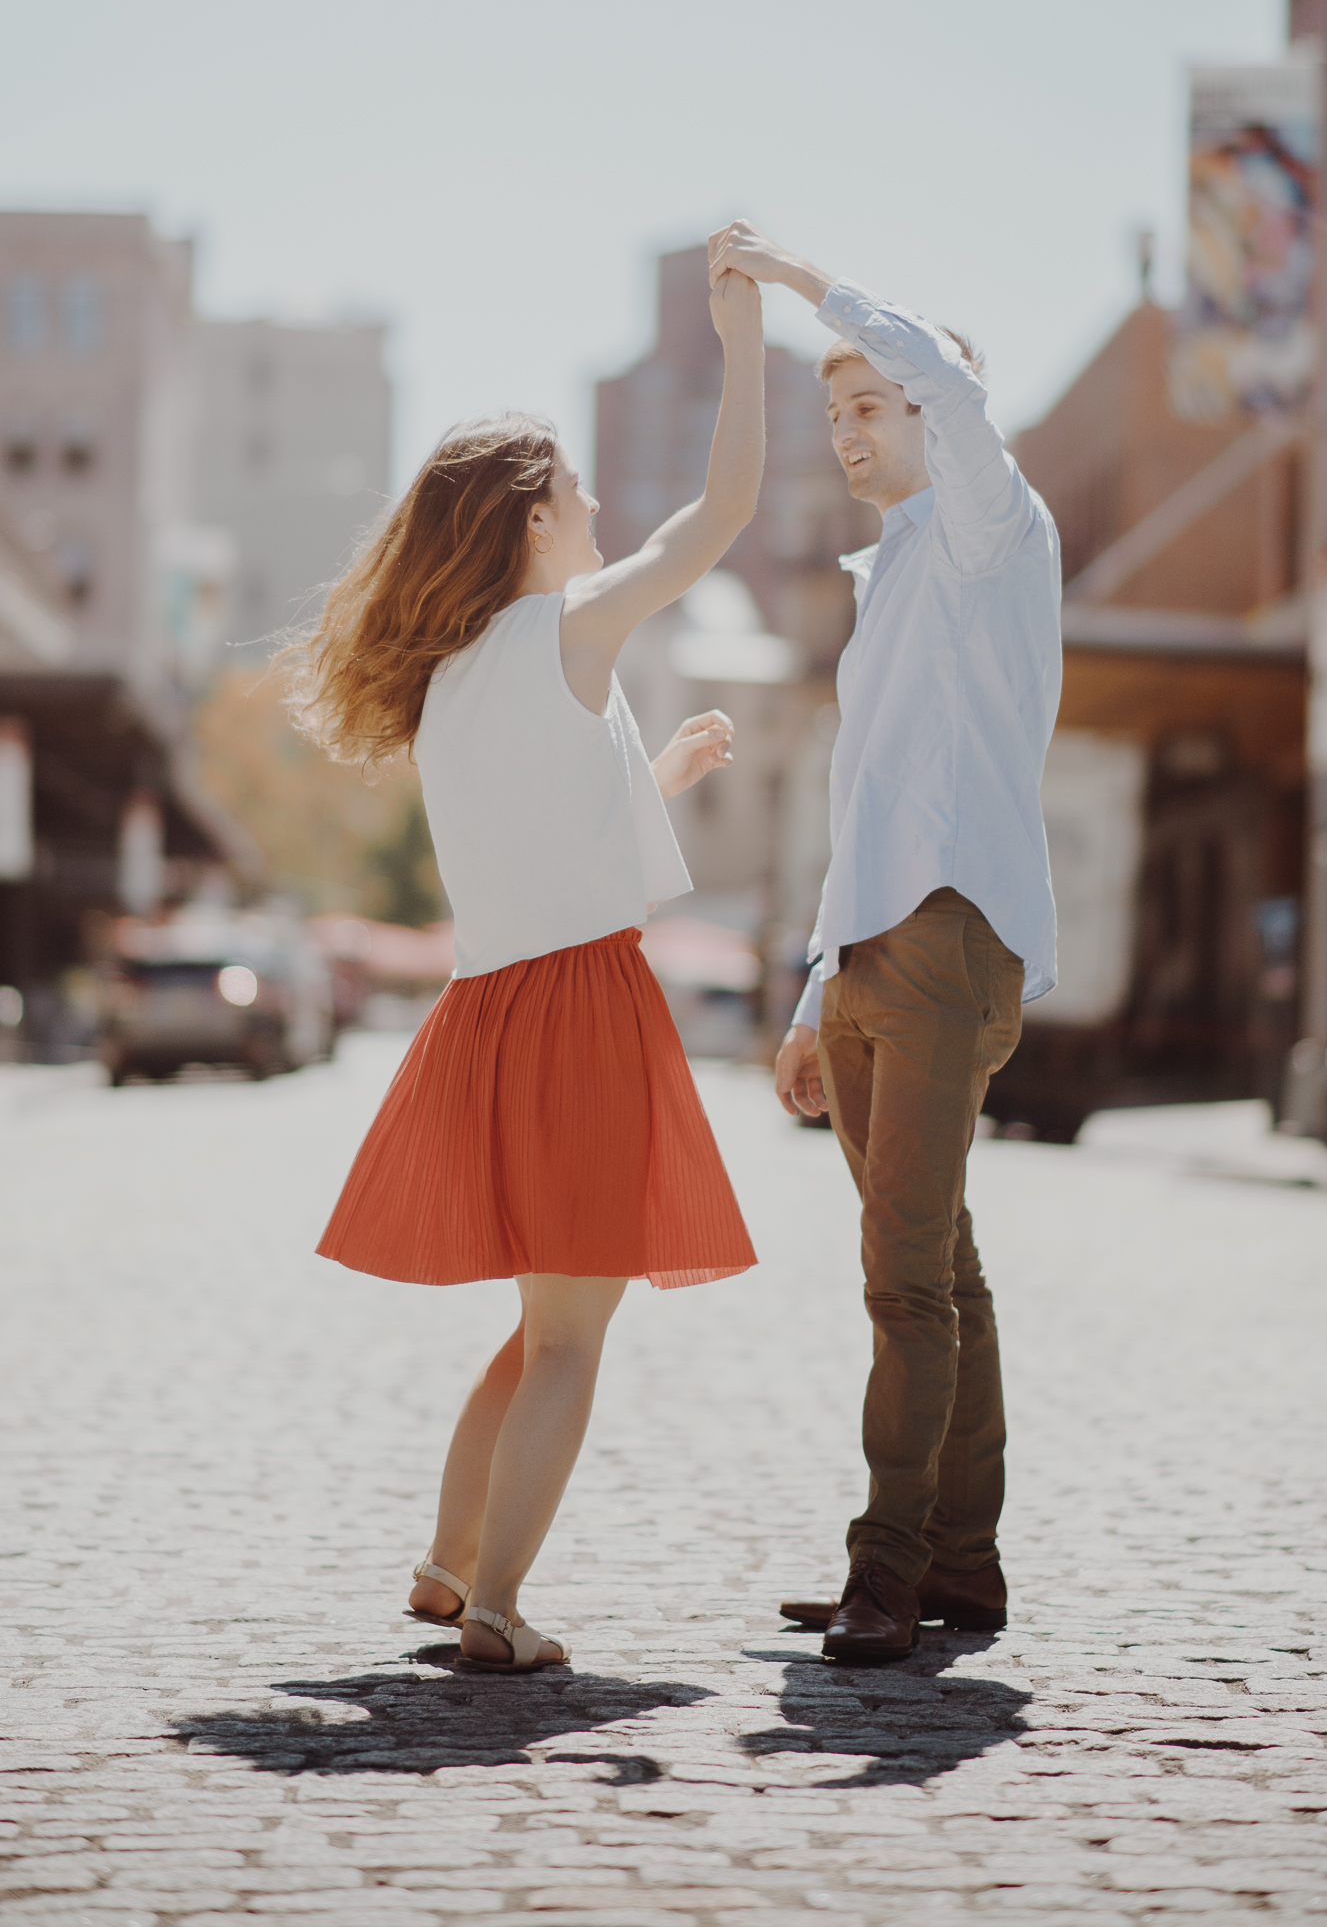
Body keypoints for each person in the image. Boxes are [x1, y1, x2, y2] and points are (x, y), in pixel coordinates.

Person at [285, 245, 765, 1672]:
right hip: (580, 1010)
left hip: (494, 1010)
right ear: (531, 518)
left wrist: (651, 779)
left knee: (540, 1321)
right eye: (577, 489)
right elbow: (723, 510)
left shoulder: (450, 679)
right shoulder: (570, 627)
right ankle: (498, 1612)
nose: (600, 506)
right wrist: (742, 352)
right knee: (569, 1335)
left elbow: (536, 841)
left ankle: (447, 1567)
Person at [707, 222, 1061, 1665]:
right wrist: (808, 991)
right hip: (865, 956)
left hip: (948, 945)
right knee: (942, 1268)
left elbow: (949, 389)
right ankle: (960, 1568)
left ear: (931, 413)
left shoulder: (991, 529)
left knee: (901, 1279)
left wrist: (801, 286)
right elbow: (862, 809)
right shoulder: (887, 577)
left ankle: (883, 1570)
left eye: (867, 405)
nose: (845, 431)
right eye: (833, 411)